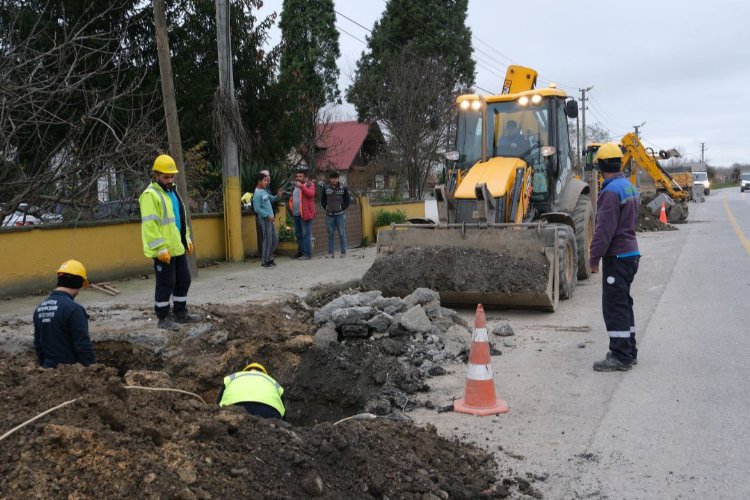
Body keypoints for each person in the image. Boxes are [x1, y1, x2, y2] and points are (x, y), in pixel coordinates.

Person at [589, 142, 641, 372]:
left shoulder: (610, 191)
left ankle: (620, 356)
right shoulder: (628, 187)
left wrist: (593, 259)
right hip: (631, 253)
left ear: (600, 166)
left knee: (614, 306)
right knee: (624, 303)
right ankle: (629, 350)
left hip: (618, 257)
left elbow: (603, 230)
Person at [139, 154, 199, 331]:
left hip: (177, 247)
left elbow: (180, 219)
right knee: (166, 283)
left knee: (184, 280)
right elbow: (150, 226)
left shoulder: (173, 192)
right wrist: (159, 248)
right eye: (166, 176)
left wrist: (186, 238)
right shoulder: (150, 195)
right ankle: (163, 317)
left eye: (172, 176)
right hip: (164, 251)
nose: (170, 179)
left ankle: (180, 312)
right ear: (156, 174)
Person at [33, 260, 96, 368]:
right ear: (78, 283)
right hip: (70, 373)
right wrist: (92, 368)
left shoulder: (39, 309)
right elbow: (82, 344)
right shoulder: (74, 309)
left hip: (48, 373)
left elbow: (38, 345)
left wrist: (45, 369)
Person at [217, 362, 285, 419]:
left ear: (245, 371)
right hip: (268, 409)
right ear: (264, 373)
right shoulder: (272, 381)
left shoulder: (233, 377)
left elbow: (217, 404)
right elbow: (283, 411)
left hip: (234, 406)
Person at [252, 172, 283, 268]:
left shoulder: (264, 191)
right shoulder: (257, 194)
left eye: (267, 180)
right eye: (265, 180)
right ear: (259, 181)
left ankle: (269, 258)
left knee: (275, 238)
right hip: (265, 219)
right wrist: (267, 216)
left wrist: (278, 195)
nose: (267, 182)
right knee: (268, 239)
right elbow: (257, 209)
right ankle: (265, 261)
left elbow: (272, 199)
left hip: (270, 219)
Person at [321, 170, 350, 258]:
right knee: (330, 234)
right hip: (329, 215)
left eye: (335, 178)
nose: (333, 180)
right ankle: (331, 253)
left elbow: (347, 201)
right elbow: (322, 200)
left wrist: (341, 208)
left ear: (338, 178)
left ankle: (343, 252)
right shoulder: (326, 188)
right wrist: (326, 208)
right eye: (332, 178)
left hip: (340, 215)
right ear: (330, 179)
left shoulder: (343, 188)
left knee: (342, 233)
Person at [289, 167, 316, 260]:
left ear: (305, 177)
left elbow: (311, 194)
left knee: (306, 234)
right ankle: (301, 252)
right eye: (297, 176)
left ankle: (307, 254)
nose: (297, 178)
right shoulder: (295, 187)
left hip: (305, 214)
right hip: (296, 213)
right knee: (298, 234)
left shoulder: (309, 184)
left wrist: (302, 186)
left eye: (300, 176)